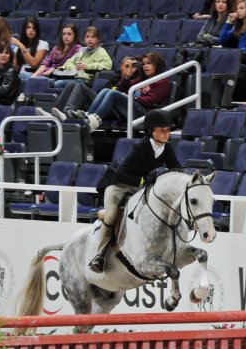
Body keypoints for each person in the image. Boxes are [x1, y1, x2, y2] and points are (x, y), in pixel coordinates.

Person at [88, 109, 182, 273]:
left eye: (168, 130)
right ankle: (99, 256)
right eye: (162, 130)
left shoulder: (166, 148)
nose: (167, 134)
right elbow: (120, 174)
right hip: (117, 185)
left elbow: (177, 170)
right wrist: (144, 181)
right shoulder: (139, 148)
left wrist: (190, 179)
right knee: (110, 217)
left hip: (137, 188)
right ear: (151, 132)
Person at [69, 51, 171, 134]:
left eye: (149, 63)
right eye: (143, 64)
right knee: (106, 90)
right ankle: (89, 116)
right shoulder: (142, 79)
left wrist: (131, 97)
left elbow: (150, 101)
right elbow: (121, 88)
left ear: (157, 64)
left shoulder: (162, 81)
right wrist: (127, 76)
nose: (145, 66)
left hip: (144, 113)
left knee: (113, 93)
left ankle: (94, 120)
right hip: (132, 109)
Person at [49, 56, 140, 121]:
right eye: (126, 66)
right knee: (73, 84)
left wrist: (128, 77)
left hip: (112, 109)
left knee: (80, 85)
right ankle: (55, 113)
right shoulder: (115, 79)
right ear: (121, 67)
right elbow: (100, 93)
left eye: (132, 67)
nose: (129, 69)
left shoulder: (135, 82)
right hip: (98, 104)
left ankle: (67, 111)